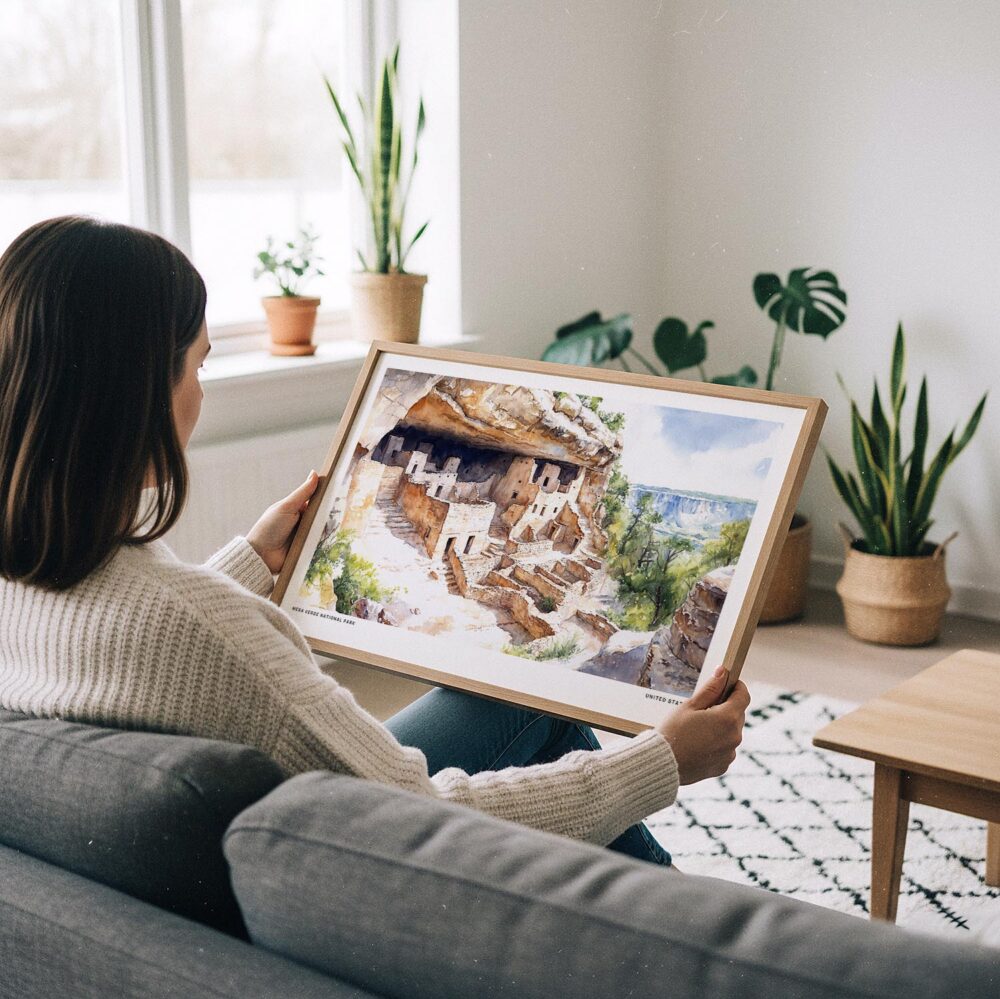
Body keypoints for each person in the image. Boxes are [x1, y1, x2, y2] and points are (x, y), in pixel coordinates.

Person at [0, 216, 749, 866]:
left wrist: (250, 564)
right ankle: (691, 934)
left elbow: (138, 636)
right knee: (548, 719)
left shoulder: (27, 582)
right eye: (198, 365)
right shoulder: (208, 631)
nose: (203, 391)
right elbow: (418, 816)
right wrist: (660, 762)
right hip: (362, 859)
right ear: (136, 395)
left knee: (511, 700)